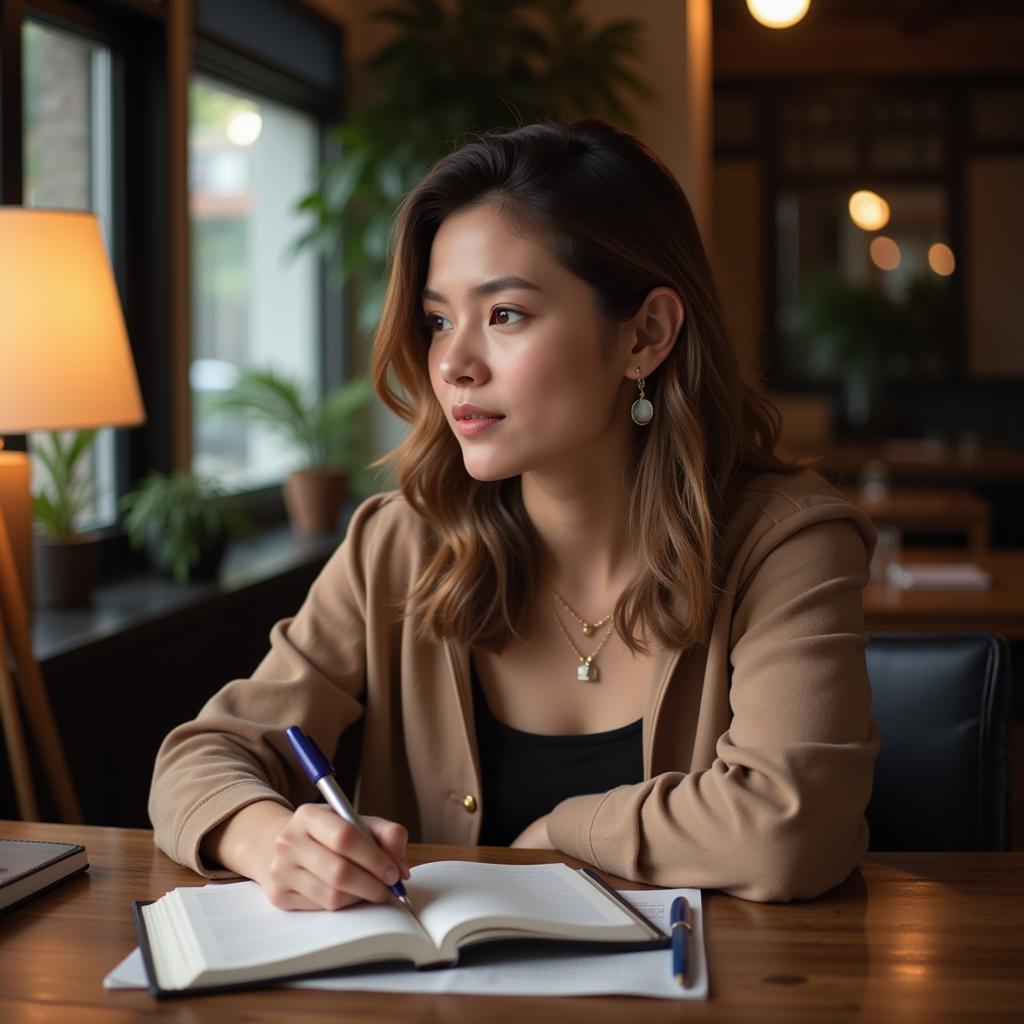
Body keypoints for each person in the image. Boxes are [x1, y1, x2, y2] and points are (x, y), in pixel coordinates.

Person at [149, 118, 878, 907]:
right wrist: (268, 839)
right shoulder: (400, 543)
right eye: (437, 320)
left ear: (647, 334)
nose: (453, 365)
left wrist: (565, 832)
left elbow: (790, 828)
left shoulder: (787, 543)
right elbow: (203, 754)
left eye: (504, 315)